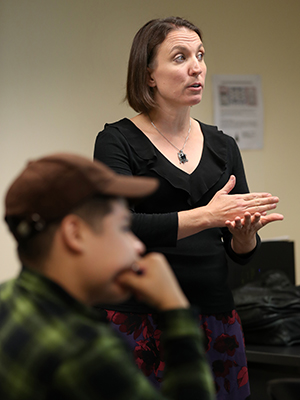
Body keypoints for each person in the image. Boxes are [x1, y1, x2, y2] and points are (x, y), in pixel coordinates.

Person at [93, 16, 284, 400]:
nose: (196, 67)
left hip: (215, 317)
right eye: (180, 57)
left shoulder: (223, 145)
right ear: (149, 75)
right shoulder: (117, 141)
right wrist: (206, 216)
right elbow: (117, 226)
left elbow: (240, 251)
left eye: (200, 55)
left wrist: (245, 238)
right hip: (140, 318)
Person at [0, 153, 215, 400]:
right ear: (75, 234)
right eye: (124, 227)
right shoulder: (85, 351)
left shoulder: (6, 297)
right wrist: (175, 309)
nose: (138, 246)